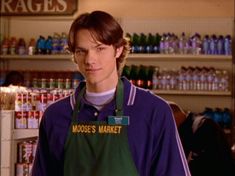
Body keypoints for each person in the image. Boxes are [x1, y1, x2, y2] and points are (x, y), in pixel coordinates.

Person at [32, 10, 191, 176]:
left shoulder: (153, 111)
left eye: (99, 49)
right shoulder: (55, 115)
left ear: (118, 50)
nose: (90, 60)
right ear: (74, 55)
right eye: (81, 51)